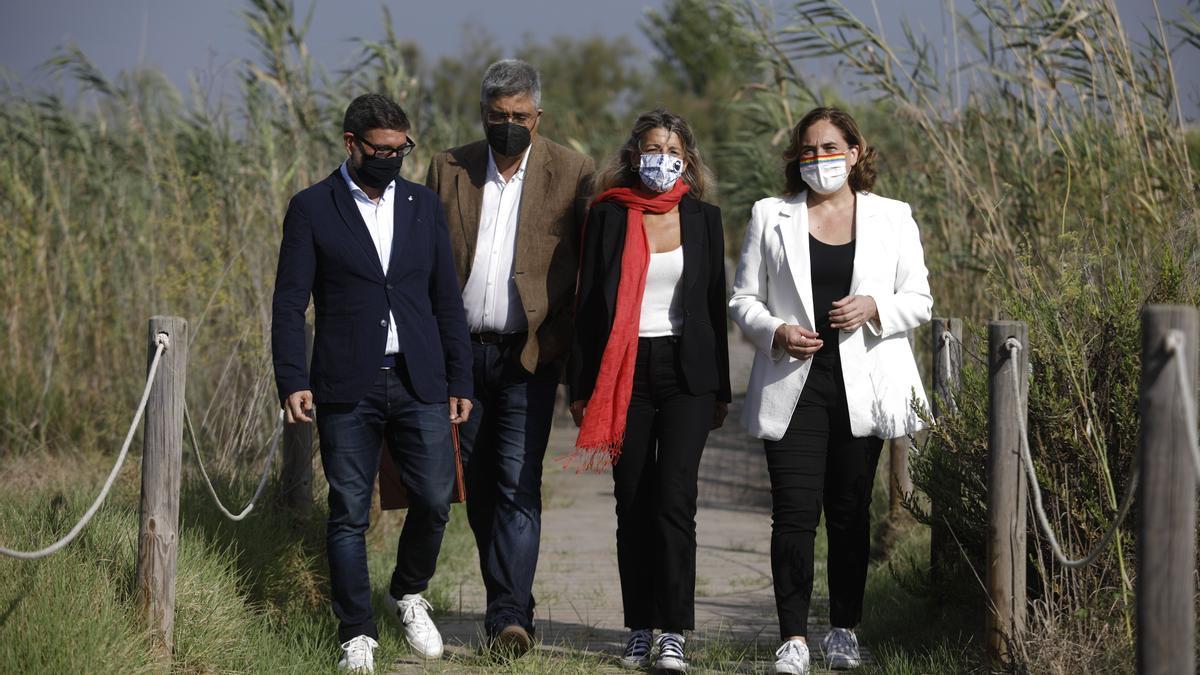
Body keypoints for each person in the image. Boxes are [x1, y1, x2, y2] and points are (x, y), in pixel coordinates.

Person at [272, 93, 473, 673]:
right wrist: (291, 378)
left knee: (435, 500)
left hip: (420, 379)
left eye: (400, 149)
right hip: (344, 383)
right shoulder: (312, 207)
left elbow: (444, 301)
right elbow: (290, 304)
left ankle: (408, 592)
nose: (391, 158)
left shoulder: (422, 206)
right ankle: (356, 631)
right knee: (349, 510)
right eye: (380, 149)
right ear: (350, 144)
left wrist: (459, 376)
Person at [728, 106, 932, 674]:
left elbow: (919, 299)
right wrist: (777, 331)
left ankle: (844, 629)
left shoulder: (893, 217)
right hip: (793, 386)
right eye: (810, 150)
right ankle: (792, 637)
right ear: (797, 158)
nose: (821, 159)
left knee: (848, 512)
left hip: (860, 388)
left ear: (856, 152)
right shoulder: (770, 215)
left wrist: (874, 307)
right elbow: (743, 300)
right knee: (793, 515)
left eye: (831, 147)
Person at [424, 59, 595, 656]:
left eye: (520, 116)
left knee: (519, 480)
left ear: (538, 116)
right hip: (460, 356)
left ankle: (510, 616)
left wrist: (575, 361)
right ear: (483, 114)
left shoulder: (572, 172)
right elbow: (425, 261)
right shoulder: (447, 168)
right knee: (477, 482)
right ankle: (507, 603)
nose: (510, 125)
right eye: (499, 116)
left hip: (529, 354)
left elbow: (587, 272)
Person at [568, 109, 731, 673]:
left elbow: (714, 302)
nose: (661, 159)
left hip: (686, 374)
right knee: (633, 498)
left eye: (672, 150)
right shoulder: (609, 215)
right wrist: (580, 384)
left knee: (675, 499)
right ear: (633, 154)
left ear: (687, 158)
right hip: (625, 371)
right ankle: (639, 625)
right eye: (651, 148)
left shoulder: (705, 218)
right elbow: (589, 302)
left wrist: (721, 389)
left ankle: (674, 632)